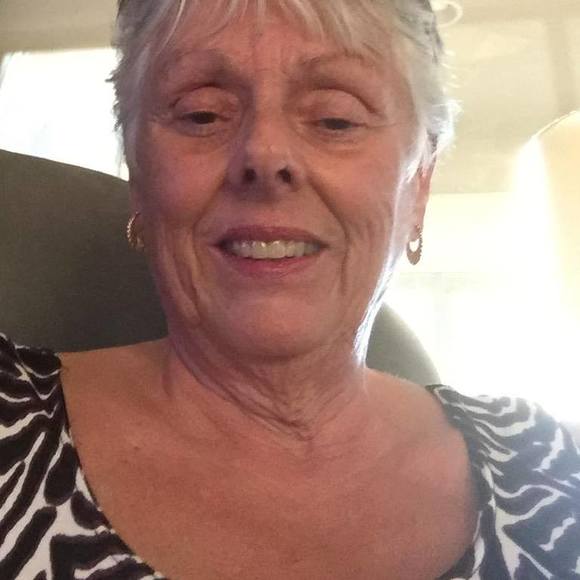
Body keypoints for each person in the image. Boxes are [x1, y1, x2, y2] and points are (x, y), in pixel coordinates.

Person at [0, 1, 579, 578]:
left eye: (335, 119)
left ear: (419, 185)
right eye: (202, 114)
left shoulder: (555, 469)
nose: (265, 155)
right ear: (138, 173)